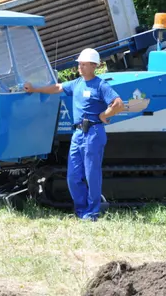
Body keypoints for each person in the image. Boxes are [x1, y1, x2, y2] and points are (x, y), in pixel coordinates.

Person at [24, 48, 123, 221]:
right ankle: (81, 209)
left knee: (92, 175)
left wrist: (104, 115)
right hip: (77, 134)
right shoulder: (76, 83)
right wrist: (35, 88)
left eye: (84, 64)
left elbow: (118, 104)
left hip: (93, 132)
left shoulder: (101, 85)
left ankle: (92, 212)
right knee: (73, 175)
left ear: (94, 66)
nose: (80, 67)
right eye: (79, 64)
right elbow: (57, 87)